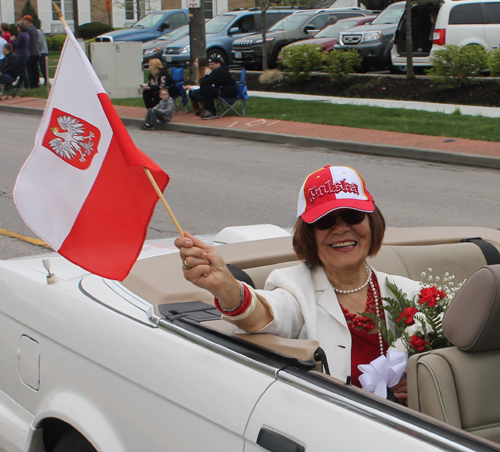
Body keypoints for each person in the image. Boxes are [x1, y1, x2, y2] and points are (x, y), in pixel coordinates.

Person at [175, 165, 422, 402]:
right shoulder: (293, 288)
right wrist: (225, 287)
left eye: (353, 215)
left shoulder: (408, 293)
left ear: (372, 222)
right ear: (309, 234)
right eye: (325, 221)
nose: (341, 229)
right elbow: (265, 314)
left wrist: (422, 379)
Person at [22, 15, 40, 89]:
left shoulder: (28, 29)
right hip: (36, 51)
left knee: (29, 69)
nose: (23, 22)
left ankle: (31, 83)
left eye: (24, 20)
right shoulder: (34, 28)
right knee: (35, 68)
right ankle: (36, 83)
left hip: (30, 52)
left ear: (27, 21)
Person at [12, 20, 30, 89]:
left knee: (22, 71)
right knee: (23, 70)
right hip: (26, 53)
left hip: (21, 54)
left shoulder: (21, 35)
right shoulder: (26, 34)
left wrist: (13, 40)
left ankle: (26, 85)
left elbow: (18, 44)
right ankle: (19, 84)